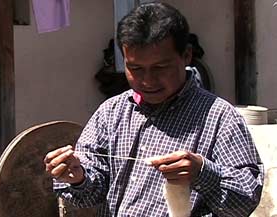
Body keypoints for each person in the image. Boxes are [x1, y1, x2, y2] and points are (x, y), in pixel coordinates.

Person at [44, 2, 264, 216]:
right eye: (135, 68)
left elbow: (245, 201)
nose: (148, 80)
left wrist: (202, 172)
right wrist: (77, 177)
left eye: (160, 67)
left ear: (186, 56)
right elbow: (90, 193)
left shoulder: (219, 117)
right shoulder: (111, 112)